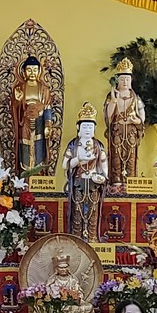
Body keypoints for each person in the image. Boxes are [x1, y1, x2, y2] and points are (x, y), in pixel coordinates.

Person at [62, 102, 109, 241]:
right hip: (78, 182)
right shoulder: (74, 145)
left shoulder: (98, 145)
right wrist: (79, 159)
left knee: (93, 212)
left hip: (94, 183)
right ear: (78, 128)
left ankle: (92, 238)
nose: (88, 130)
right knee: (77, 212)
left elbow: (104, 165)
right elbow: (65, 165)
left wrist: (103, 176)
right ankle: (77, 238)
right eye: (85, 126)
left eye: (90, 127)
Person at [103, 58, 145, 187]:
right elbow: (108, 115)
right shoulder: (112, 96)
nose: (125, 82)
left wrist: (135, 120)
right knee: (116, 155)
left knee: (131, 155)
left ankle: (130, 180)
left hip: (131, 132)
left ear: (131, 81)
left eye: (127, 79)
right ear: (117, 81)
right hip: (117, 130)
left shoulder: (135, 97)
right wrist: (114, 100)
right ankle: (116, 180)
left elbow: (142, 117)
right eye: (122, 80)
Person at [12, 56, 54, 173]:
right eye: (29, 70)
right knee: (24, 147)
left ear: (39, 71)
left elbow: (47, 108)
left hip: (39, 123)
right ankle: (24, 176)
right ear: (23, 72)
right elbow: (15, 108)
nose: (32, 73)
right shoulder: (19, 88)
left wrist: (48, 125)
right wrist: (18, 101)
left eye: (35, 70)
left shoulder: (44, 89)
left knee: (39, 147)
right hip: (24, 122)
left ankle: (38, 174)